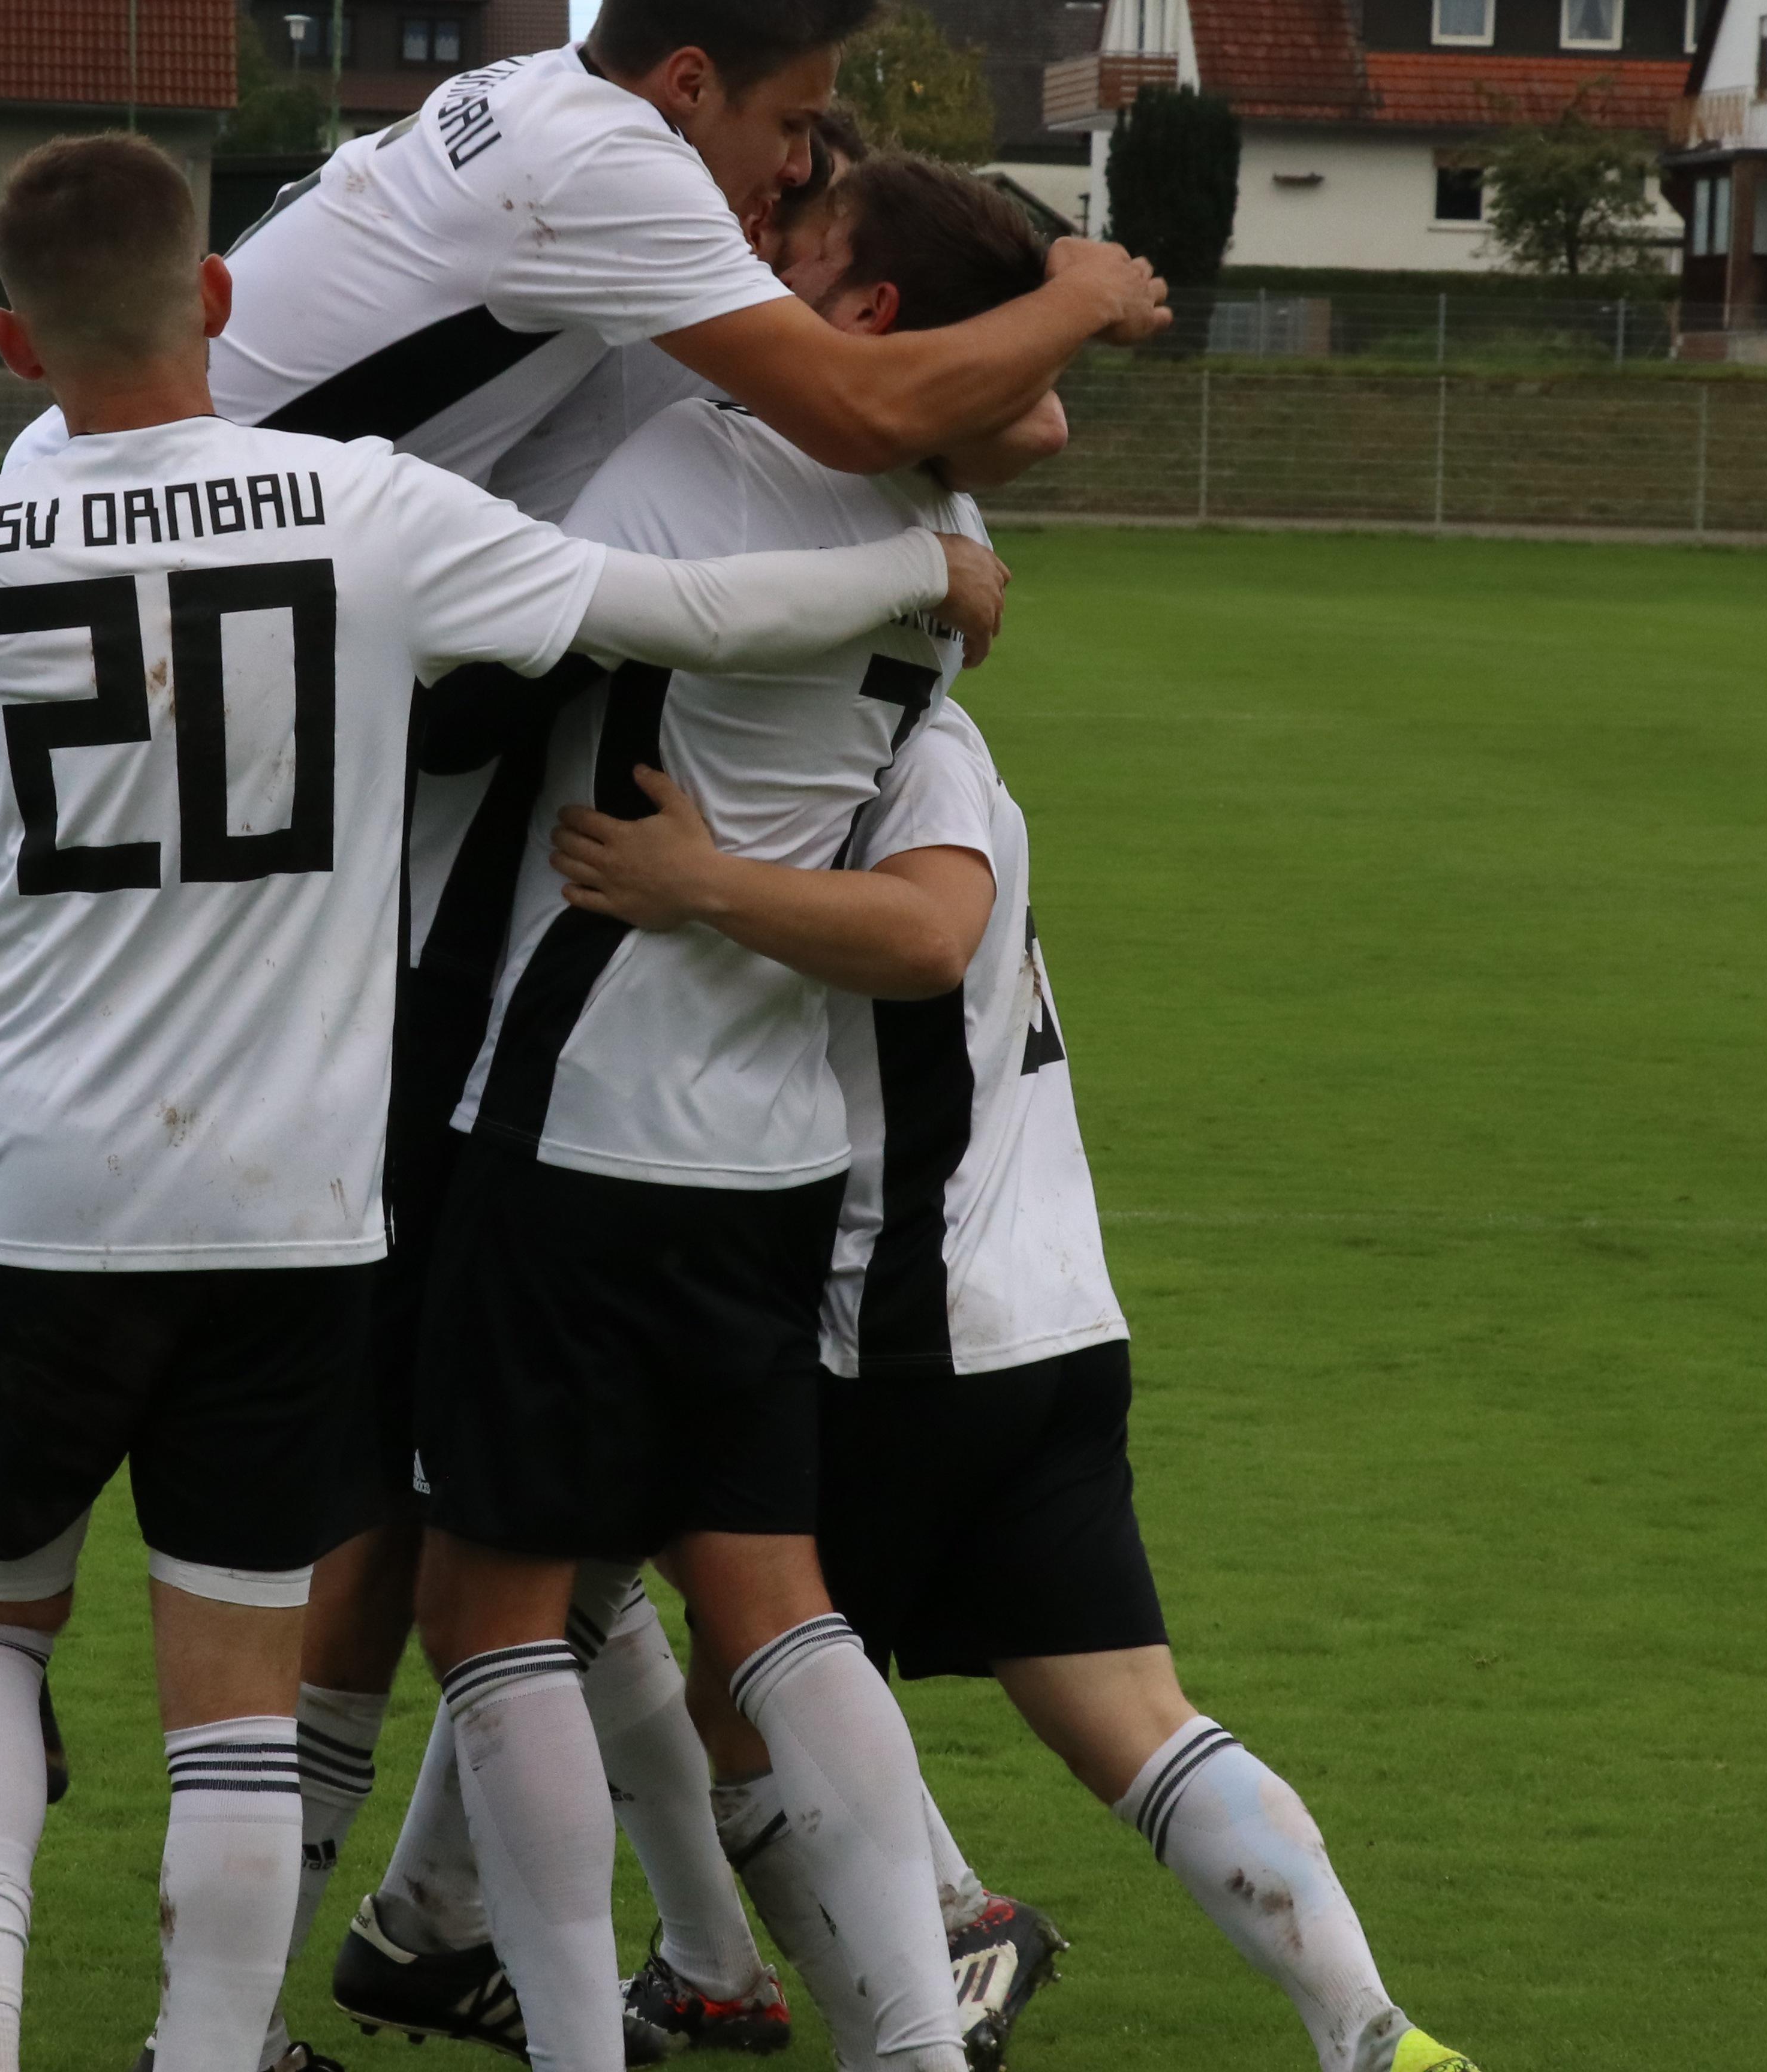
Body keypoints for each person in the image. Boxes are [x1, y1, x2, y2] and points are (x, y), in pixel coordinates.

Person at [0, 133, 1009, 2072]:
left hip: (33, 1190)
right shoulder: (373, 512)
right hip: (292, 1213)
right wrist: (925, 561)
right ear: (221, 303)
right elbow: (680, 616)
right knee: (236, 1711)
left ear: (10, 341)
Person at [212, 0, 1158, 2072]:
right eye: (795, 131)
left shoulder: (689, 438)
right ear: (688, 93)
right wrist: (1045, 347)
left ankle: (415, 2001)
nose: (787, 192)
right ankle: (893, 1985)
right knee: (738, 1582)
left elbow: (845, 427)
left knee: (462, 1580)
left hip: (523, 1091)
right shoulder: (832, 448)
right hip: (765, 1152)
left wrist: (1018, 341)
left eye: (823, 188)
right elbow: (962, 427)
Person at [541, 694, 1487, 2072]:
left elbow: (927, 936)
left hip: (905, 1333)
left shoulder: (905, 756)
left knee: (743, 1706)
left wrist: (695, 879)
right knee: (1133, 1714)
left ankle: (889, 2004)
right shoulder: (936, 741)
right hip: (1051, 1322)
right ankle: (1375, 2036)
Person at [393, 155, 1068, 2072]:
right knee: (772, 1603)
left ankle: (579, 2048)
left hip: (585, 1119)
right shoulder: (936, 521)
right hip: (773, 1155)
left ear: (863, 326)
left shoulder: (696, 468)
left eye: (800, 256)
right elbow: (1014, 404)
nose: (749, 271)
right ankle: (918, 2038)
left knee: (494, 1612)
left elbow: (513, 613)